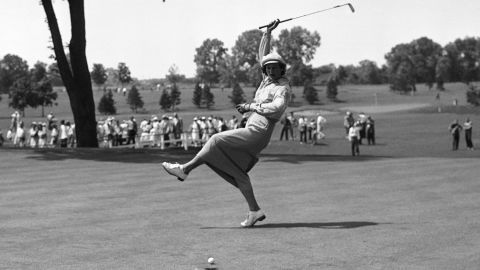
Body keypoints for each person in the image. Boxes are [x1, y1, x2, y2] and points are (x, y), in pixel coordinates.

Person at [161, 19, 290, 227]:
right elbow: (262, 58)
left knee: (215, 140)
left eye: (276, 68)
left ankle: (185, 169)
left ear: (282, 70)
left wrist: (251, 107)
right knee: (236, 172)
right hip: (251, 129)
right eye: (269, 68)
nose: (271, 71)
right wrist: (267, 34)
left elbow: (277, 108)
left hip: (259, 131)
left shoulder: (282, 88)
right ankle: (255, 211)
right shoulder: (267, 81)